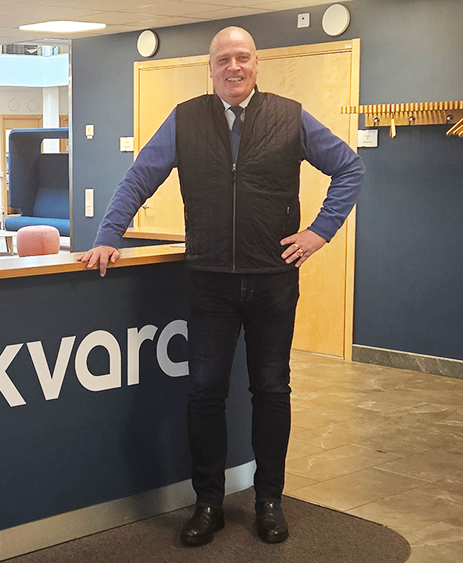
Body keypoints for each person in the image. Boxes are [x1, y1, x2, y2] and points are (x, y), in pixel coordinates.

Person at [81, 26, 364, 546]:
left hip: (273, 280)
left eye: (243, 58)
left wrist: (320, 232)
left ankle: (269, 501)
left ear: (256, 64)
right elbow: (139, 177)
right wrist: (107, 236)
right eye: (223, 60)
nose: (234, 67)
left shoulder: (290, 116)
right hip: (209, 281)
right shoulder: (185, 119)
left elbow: (349, 167)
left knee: (271, 390)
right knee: (205, 392)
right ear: (209, 69)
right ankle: (208, 503)